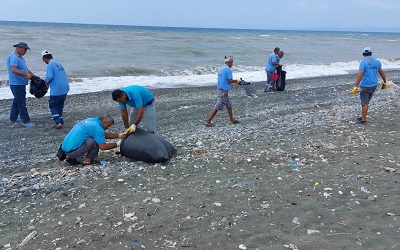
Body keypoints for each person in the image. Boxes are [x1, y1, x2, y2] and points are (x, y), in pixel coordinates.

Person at [351, 47, 386, 124]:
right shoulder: (377, 62)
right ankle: (363, 116)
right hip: (374, 85)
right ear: (371, 53)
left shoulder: (363, 62)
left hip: (365, 85)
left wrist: (355, 86)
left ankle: (363, 120)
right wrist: (385, 82)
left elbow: (360, 74)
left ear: (363, 54)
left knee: (364, 103)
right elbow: (381, 72)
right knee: (366, 101)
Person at [205, 56, 240, 127]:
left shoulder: (221, 68)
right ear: (229, 62)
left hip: (220, 88)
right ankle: (208, 121)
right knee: (218, 105)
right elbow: (229, 80)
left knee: (229, 104)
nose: (232, 64)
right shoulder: (228, 70)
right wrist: (237, 81)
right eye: (232, 63)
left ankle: (231, 119)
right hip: (224, 90)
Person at [7, 42, 35, 127]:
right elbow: (13, 70)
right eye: (25, 50)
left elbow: (26, 69)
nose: (26, 52)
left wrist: (34, 76)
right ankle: (26, 121)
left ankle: (13, 119)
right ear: (19, 48)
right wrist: (25, 75)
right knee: (21, 103)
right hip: (16, 84)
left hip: (20, 83)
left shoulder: (20, 58)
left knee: (17, 101)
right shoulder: (14, 57)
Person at [42, 50, 70, 129]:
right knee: (60, 105)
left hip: (56, 90)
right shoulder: (59, 64)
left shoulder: (50, 65)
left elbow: (49, 76)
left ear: (44, 59)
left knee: (53, 105)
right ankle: (61, 121)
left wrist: (45, 82)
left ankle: (58, 123)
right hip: (65, 89)